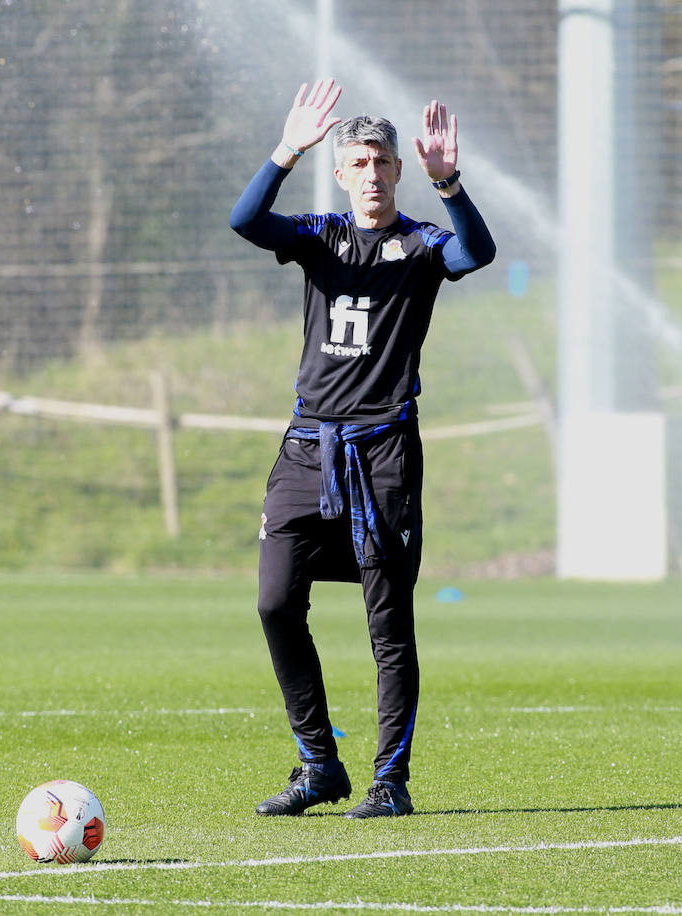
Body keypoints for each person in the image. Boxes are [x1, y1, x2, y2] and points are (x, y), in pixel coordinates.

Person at [229, 79, 495, 817]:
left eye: (382, 161)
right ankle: (319, 766)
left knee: (388, 621)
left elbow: (478, 250)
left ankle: (391, 781)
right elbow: (244, 219)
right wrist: (287, 149)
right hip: (306, 449)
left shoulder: (420, 244)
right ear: (341, 173)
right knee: (276, 602)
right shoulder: (317, 236)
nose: (372, 174)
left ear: (397, 171)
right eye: (358, 163)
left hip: (382, 455)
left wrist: (450, 181)